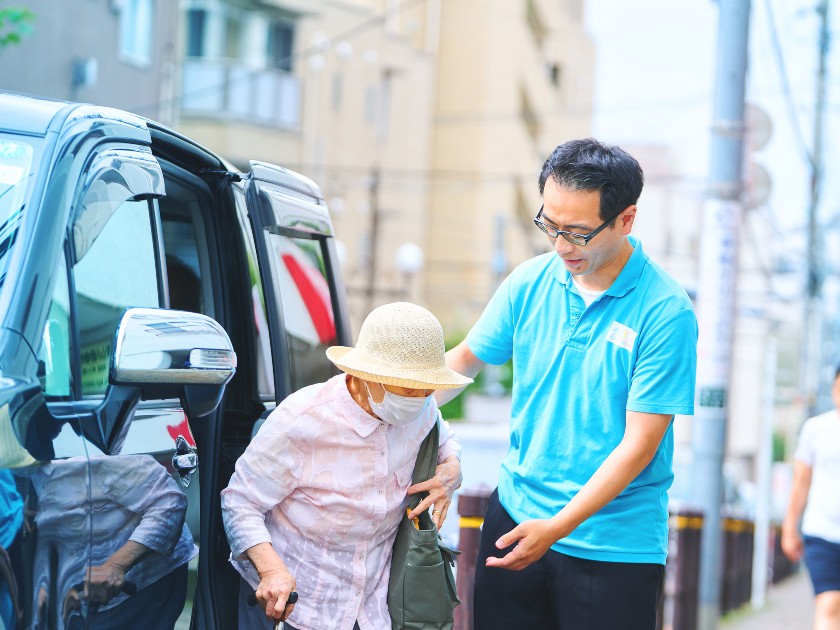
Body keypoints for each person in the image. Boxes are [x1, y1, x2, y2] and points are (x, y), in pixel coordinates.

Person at [439, 138, 698, 630]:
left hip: (614, 546)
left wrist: (556, 528)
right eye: (549, 226)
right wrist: (380, 410)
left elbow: (639, 446)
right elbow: (463, 363)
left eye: (577, 233)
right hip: (514, 519)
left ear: (625, 219)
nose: (559, 246)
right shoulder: (529, 281)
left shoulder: (666, 312)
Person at [221, 302, 472, 630]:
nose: (421, 396)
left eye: (428, 387)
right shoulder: (304, 418)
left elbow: (444, 438)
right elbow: (240, 502)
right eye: (409, 386)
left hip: (374, 610)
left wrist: (452, 471)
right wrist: (271, 571)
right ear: (367, 376)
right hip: (298, 607)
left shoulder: (422, 410)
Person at [781, 365, 840, 630]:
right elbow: (801, 483)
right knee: (829, 602)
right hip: (822, 531)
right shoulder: (816, 429)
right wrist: (789, 528)